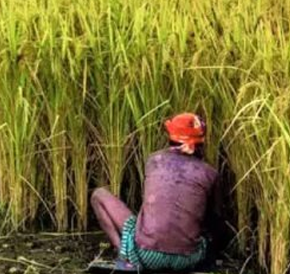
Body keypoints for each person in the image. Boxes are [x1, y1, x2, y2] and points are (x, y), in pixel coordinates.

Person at [90, 113, 221, 272]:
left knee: (99, 194)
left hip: (146, 255)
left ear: (171, 136)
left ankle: (124, 257)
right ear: (200, 143)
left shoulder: (154, 160)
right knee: (205, 236)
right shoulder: (210, 173)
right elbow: (213, 220)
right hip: (187, 259)